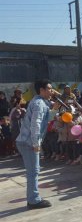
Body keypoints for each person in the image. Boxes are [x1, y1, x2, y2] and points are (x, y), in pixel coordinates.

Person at [16, 79, 54, 209]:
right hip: (28, 143)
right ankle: (33, 200)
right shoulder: (39, 104)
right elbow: (35, 124)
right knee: (33, 172)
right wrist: (36, 143)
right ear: (41, 90)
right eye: (49, 88)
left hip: (25, 141)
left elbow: (44, 118)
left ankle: (32, 198)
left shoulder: (39, 101)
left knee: (33, 171)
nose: (51, 91)